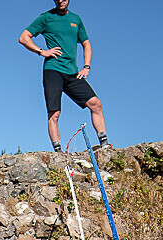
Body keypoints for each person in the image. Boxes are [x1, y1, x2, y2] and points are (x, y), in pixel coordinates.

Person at [19, 0, 109, 153]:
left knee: (96, 104)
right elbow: (24, 37)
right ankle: (59, 152)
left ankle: (104, 145)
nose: (61, 0)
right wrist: (42, 51)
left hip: (73, 72)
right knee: (54, 113)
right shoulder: (46, 17)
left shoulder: (75, 19)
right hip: (53, 70)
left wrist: (86, 67)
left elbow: (86, 44)